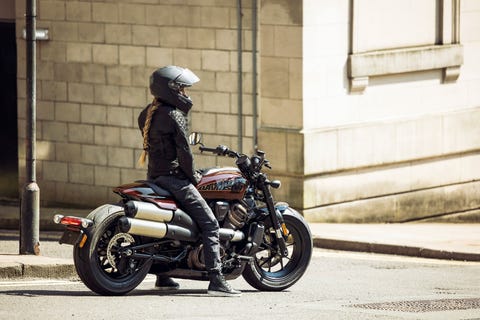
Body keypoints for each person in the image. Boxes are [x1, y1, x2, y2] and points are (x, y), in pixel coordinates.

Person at [137, 65, 241, 297]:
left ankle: (164, 277)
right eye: (182, 88)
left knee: (169, 230)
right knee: (211, 224)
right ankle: (217, 280)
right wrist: (194, 178)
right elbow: (185, 152)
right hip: (175, 180)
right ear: (170, 89)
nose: (185, 93)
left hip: (154, 177)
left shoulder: (147, 113)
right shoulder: (174, 115)